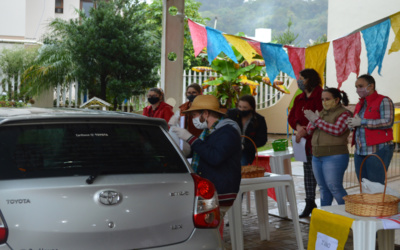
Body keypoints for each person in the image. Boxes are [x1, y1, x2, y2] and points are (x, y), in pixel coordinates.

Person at [170, 95, 242, 231]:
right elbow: (204, 152)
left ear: (206, 113)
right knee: (207, 229)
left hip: (221, 192)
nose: (193, 119)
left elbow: (215, 157)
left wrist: (191, 139)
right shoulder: (210, 131)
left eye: (195, 115)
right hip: (211, 190)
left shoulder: (227, 131)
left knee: (208, 230)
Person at [304, 88, 352, 206]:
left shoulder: (344, 113)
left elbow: (337, 130)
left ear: (336, 100)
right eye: (322, 99)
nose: (324, 102)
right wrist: (313, 121)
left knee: (335, 187)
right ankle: (326, 216)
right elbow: (309, 130)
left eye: (327, 99)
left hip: (335, 156)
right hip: (317, 155)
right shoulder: (321, 113)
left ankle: (349, 213)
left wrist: (317, 121)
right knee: (323, 189)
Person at [288, 68, 323, 217]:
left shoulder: (321, 96)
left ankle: (327, 205)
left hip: (318, 141)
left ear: (310, 79)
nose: (299, 80)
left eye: (301, 77)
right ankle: (310, 202)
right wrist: (297, 127)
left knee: (321, 174)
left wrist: (306, 131)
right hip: (303, 142)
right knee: (307, 173)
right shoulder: (299, 98)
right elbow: (292, 116)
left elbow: (322, 117)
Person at [347, 74, 395, 185]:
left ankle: (377, 203)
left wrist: (362, 122)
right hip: (360, 150)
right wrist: (351, 124)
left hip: (378, 149)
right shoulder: (360, 103)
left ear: (371, 86)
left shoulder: (384, 100)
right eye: (356, 87)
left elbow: (388, 122)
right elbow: (357, 122)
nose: (358, 90)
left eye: (360, 86)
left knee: (375, 186)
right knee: (363, 185)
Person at [227, 95, 268, 166]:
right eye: (239, 107)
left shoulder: (259, 120)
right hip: (229, 150)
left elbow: (262, 140)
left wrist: (244, 146)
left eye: (245, 107)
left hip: (246, 152)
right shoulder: (231, 115)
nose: (241, 110)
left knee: (241, 167)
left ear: (252, 107)